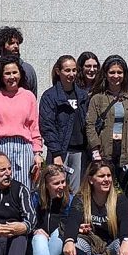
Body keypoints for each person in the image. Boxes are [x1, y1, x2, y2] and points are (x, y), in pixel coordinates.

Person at [85, 54, 128, 216]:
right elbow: (90, 125)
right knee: (104, 195)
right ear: (105, 74)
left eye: (119, 72)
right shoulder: (97, 99)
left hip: (127, 155)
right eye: (112, 72)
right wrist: (95, 149)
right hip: (104, 153)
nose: (116, 76)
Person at [0, 56, 43, 185]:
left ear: (20, 74)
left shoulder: (28, 96)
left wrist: (37, 153)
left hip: (24, 148)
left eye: (14, 72)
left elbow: (34, 126)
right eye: (7, 73)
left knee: (23, 187)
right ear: (1, 76)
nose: (11, 77)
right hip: (0, 147)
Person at [40, 55, 90, 192]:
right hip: (60, 151)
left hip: (79, 151)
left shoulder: (83, 96)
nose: (72, 74)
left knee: (76, 192)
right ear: (58, 71)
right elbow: (47, 126)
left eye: (74, 70)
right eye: (67, 70)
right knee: (56, 189)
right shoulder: (50, 96)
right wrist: (56, 153)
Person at [29, 164, 74, 255]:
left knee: (60, 232)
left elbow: (73, 222)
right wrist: (35, 229)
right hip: (34, 248)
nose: (61, 186)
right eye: (56, 183)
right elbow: (28, 220)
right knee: (39, 238)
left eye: (63, 182)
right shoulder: (35, 198)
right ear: (46, 185)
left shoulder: (70, 199)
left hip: (58, 248)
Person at [0, 26, 39, 94]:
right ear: (1, 46)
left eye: (17, 43)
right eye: (11, 43)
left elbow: (32, 97)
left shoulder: (28, 69)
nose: (16, 46)